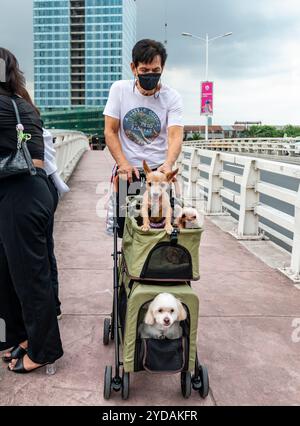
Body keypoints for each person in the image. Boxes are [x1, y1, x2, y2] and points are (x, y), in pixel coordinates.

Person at [0, 47, 63, 373]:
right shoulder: (22, 102)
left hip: (19, 196)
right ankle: (25, 336)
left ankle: (42, 351)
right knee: (20, 274)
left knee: (28, 278)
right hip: (38, 190)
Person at [104, 39, 184, 236]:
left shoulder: (171, 97)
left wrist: (169, 164)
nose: (150, 75)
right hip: (128, 171)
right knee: (125, 227)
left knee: (163, 225)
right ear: (133, 68)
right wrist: (122, 163)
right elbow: (110, 131)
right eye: (145, 70)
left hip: (159, 172)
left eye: (155, 70)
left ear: (162, 68)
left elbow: (175, 135)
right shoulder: (120, 90)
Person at [43, 128, 70, 319]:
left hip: (32, 191)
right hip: (44, 189)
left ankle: (52, 305)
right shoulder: (40, 130)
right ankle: (53, 305)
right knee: (45, 248)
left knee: (43, 249)